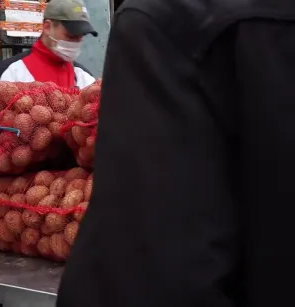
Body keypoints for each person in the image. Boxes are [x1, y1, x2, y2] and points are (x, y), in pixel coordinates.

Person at [57, 0, 295, 307]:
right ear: (47, 27)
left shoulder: (168, 25)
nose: (75, 42)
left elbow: (154, 268)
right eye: (71, 33)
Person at [0, 0, 96, 88]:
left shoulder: (86, 79)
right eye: (71, 35)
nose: (76, 42)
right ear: (47, 27)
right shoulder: (10, 73)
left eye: (81, 36)